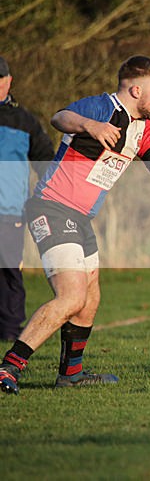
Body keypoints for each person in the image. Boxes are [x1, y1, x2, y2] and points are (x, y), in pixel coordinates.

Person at [0, 55, 150, 395]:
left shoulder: (144, 127)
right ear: (135, 89)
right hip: (52, 208)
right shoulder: (102, 107)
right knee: (71, 297)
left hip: (80, 218)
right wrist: (90, 126)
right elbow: (60, 117)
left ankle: (71, 374)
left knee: (90, 300)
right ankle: (9, 367)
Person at [0, 56, 55, 341]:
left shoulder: (25, 121)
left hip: (10, 212)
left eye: (0, 79)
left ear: (9, 81)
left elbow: (46, 162)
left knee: (9, 272)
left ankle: (9, 333)